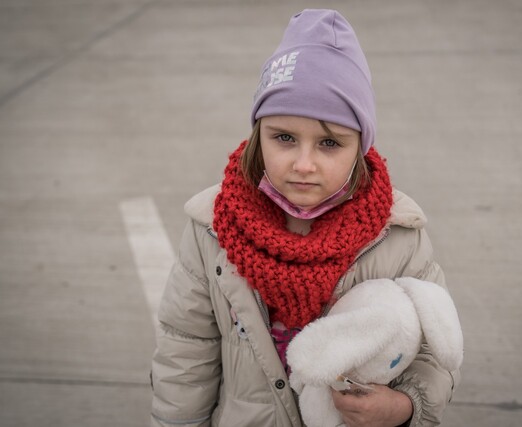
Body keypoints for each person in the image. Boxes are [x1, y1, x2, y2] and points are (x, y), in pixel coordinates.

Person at [150, 9, 461, 427]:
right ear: (258, 132)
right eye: (284, 137)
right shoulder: (213, 228)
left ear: (361, 147)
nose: (303, 163)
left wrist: (404, 407)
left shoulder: (397, 235)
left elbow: (435, 354)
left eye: (330, 143)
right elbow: (185, 350)